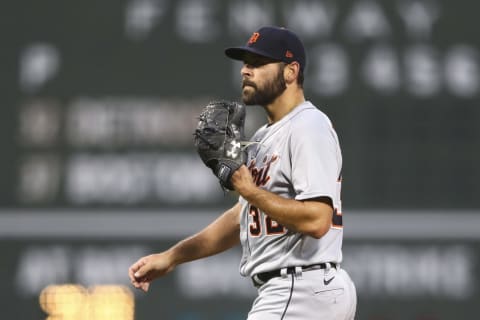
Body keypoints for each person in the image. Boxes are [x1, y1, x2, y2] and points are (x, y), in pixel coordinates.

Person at [129, 26, 357, 319]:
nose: (246, 71)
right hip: (299, 290)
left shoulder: (308, 126)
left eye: (259, 63)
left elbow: (317, 219)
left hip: (301, 289)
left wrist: (250, 190)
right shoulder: (263, 137)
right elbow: (242, 217)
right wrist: (171, 258)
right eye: (245, 63)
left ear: (291, 72)